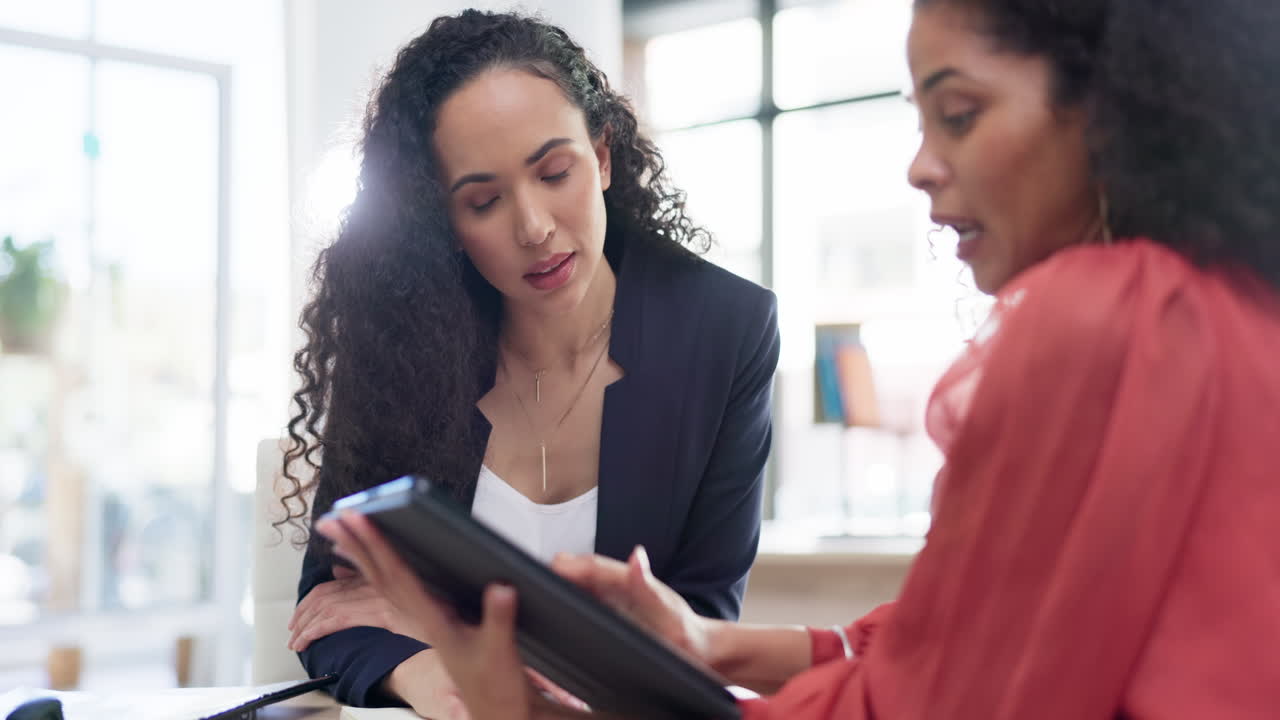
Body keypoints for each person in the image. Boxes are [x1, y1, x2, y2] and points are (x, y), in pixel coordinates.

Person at [317, 0, 1280, 717]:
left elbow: (929, 697)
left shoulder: (1101, 323)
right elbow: (944, 640)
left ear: (1104, 110)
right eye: (483, 200)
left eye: (958, 113)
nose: (918, 165)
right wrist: (709, 645)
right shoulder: (1217, 304)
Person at [277, 9, 780, 716]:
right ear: (444, 221)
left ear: (602, 156)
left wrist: (446, 626)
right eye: (483, 201)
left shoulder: (724, 330)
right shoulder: (399, 342)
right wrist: (434, 680)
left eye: (554, 172)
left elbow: (697, 625)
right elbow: (330, 608)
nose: (534, 228)